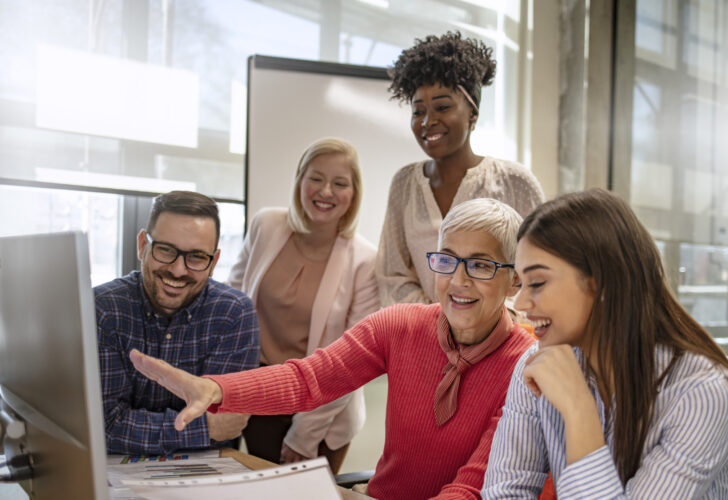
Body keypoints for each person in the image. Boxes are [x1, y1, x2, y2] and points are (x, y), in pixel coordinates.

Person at [129, 198, 536, 500]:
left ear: (514, 280)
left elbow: (470, 486)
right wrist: (216, 390)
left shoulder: (526, 364)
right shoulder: (401, 325)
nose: (459, 281)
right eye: (447, 261)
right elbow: (309, 379)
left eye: (480, 266)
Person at [482, 189, 728, 499]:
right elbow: (505, 492)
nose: (520, 302)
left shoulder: (703, 392)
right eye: (520, 282)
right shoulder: (539, 363)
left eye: (537, 283)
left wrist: (578, 410)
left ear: (601, 283)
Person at [226, 137, 378, 472]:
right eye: (316, 178)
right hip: (259, 394)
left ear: (354, 194)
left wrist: (304, 435)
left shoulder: (365, 260)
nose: (326, 192)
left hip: (323, 409)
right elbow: (230, 306)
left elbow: (352, 360)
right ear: (300, 180)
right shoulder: (266, 225)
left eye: (340, 183)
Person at [376, 31, 545, 306]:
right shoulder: (404, 184)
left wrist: (482, 323)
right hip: (425, 337)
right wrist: (440, 320)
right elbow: (392, 274)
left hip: (501, 340)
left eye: (442, 107)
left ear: (473, 114)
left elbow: (538, 270)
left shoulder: (515, 182)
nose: (428, 121)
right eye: (418, 111)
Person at [94, 190, 259, 456]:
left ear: (214, 262)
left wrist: (138, 426)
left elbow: (227, 427)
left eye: (196, 257)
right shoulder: (103, 310)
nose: (178, 270)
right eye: (166, 250)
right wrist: (203, 428)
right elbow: (103, 427)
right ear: (142, 245)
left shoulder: (234, 314)